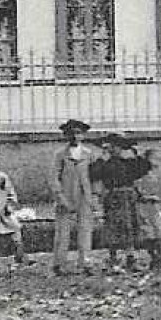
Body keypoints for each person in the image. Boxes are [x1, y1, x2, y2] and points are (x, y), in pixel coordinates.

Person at [90, 133, 151, 272]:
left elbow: (143, 169)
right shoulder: (104, 164)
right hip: (113, 198)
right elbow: (93, 174)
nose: (114, 149)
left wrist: (137, 154)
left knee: (129, 226)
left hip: (128, 197)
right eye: (111, 147)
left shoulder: (128, 163)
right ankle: (113, 258)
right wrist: (101, 158)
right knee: (113, 227)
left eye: (118, 146)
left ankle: (131, 256)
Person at [50, 118, 99, 276]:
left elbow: (95, 176)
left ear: (83, 135)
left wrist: (95, 195)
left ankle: (85, 262)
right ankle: (59, 264)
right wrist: (60, 196)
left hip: (85, 196)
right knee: (63, 230)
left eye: (78, 133)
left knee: (85, 229)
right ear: (65, 135)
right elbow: (54, 177)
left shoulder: (89, 154)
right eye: (71, 133)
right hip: (66, 194)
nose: (74, 136)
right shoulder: (60, 155)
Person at [135, 147, 161, 269]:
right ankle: (152, 255)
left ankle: (160, 255)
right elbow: (138, 191)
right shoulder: (141, 175)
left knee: (159, 231)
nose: (157, 162)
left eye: (159, 160)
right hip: (145, 207)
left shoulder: (157, 175)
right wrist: (147, 196)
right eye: (154, 159)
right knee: (148, 232)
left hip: (155, 207)